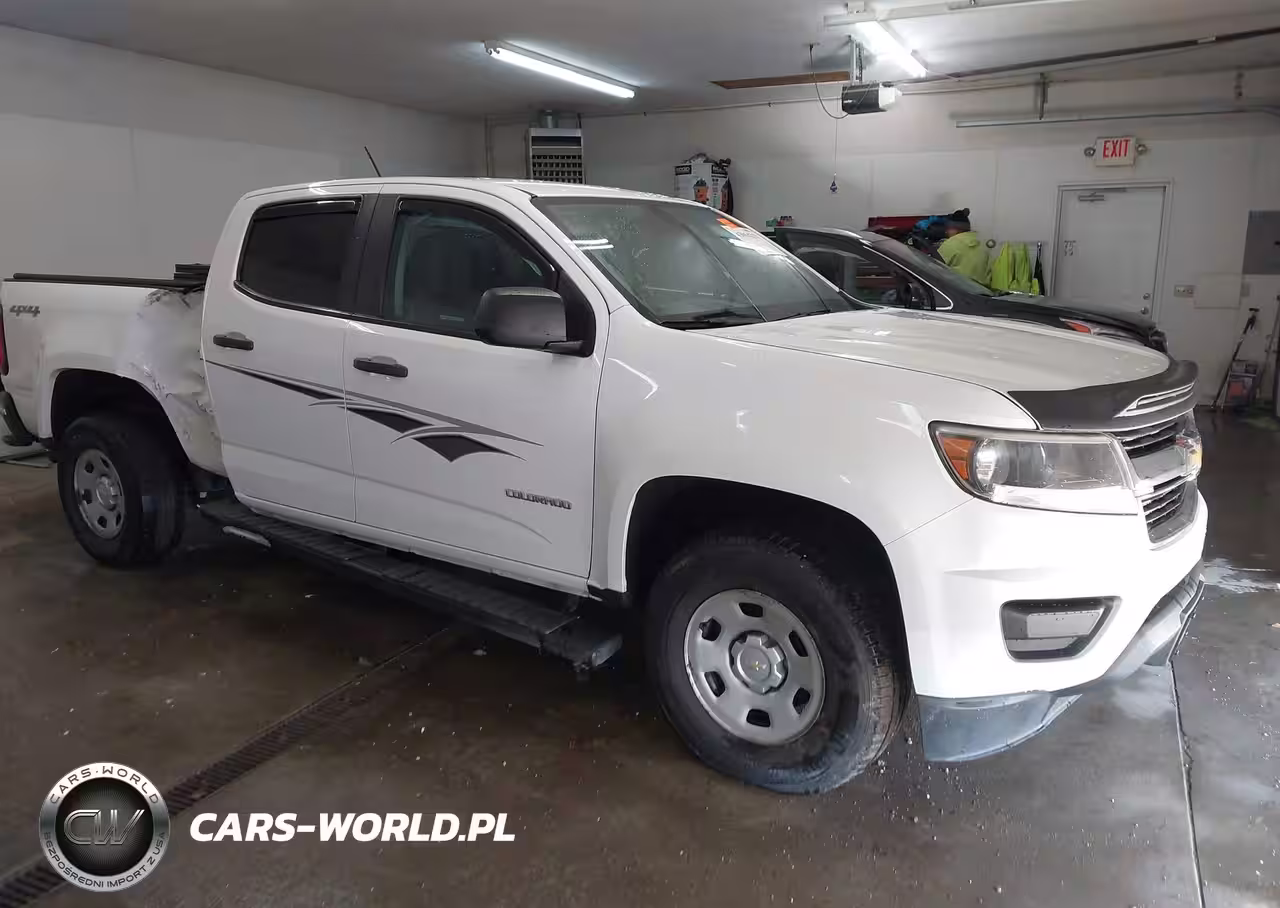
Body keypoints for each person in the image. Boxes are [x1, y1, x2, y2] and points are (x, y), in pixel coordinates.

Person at [937, 209, 990, 286]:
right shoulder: (983, 239)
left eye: (948, 229)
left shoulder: (951, 244)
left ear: (955, 228)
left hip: (962, 290)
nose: (946, 232)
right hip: (986, 290)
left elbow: (936, 270)